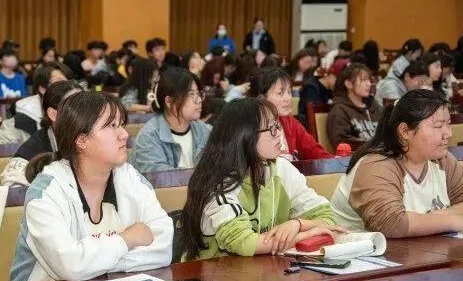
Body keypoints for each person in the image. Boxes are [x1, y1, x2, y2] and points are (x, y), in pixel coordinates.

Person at [8, 91, 173, 281]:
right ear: (81, 140)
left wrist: (96, 262)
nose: (124, 134)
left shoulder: (130, 177)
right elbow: (70, 265)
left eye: (121, 124)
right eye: (112, 126)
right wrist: (127, 239)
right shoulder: (46, 191)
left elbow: (164, 247)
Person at [179, 98, 342, 260]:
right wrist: (307, 234)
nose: (279, 134)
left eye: (277, 126)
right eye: (271, 129)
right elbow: (244, 242)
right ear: (245, 136)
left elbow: (327, 216)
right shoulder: (218, 183)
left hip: (263, 268)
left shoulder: (281, 168)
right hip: (213, 272)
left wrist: (297, 224)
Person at [331, 89, 463, 237]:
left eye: (449, 124)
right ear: (405, 131)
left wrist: (429, 219)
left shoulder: (443, 159)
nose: (448, 134)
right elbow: (390, 223)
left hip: (422, 248)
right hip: (361, 250)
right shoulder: (376, 164)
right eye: (438, 126)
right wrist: (452, 221)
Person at [0, 80, 82, 187]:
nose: (85, 113)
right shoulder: (31, 151)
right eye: (76, 107)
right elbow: (13, 189)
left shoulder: (95, 140)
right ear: (53, 114)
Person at [130, 67, 211, 173]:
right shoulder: (149, 137)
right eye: (191, 94)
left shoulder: (204, 130)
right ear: (169, 101)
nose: (199, 100)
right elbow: (161, 179)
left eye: (198, 93)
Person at [249, 67, 332, 160]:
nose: (288, 98)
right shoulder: (251, 128)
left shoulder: (290, 122)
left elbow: (313, 150)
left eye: (289, 91)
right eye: (280, 93)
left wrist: (336, 162)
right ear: (261, 98)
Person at [0, 62, 70, 145]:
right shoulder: (16, 123)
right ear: (42, 88)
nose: (68, 88)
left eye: (70, 82)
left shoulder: (77, 114)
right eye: (60, 82)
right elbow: (3, 151)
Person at [326, 63, 382, 147]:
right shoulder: (339, 110)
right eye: (363, 80)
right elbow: (341, 142)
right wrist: (372, 146)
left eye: (369, 80)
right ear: (349, 84)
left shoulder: (373, 105)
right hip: (360, 154)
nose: (369, 84)